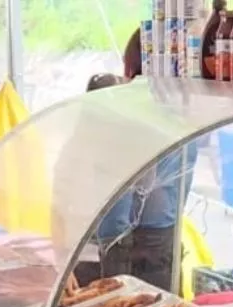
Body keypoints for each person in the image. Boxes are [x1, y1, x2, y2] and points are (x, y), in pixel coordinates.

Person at [68, 32, 198, 293]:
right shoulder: (181, 119)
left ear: (128, 69)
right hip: (151, 247)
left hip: (134, 248)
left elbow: (110, 212)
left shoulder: (128, 120)